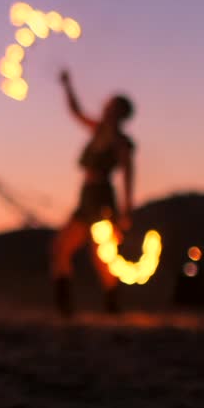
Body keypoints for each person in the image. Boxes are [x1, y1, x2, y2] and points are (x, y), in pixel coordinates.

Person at [51, 69, 136, 317]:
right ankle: (64, 306)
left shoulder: (121, 142)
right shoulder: (98, 130)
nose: (105, 106)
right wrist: (67, 85)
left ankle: (112, 305)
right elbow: (76, 111)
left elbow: (129, 175)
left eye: (110, 105)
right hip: (86, 197)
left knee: (103, 255)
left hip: (102, 198)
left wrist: (126, 211)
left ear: (119, 113)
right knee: (60, 248)